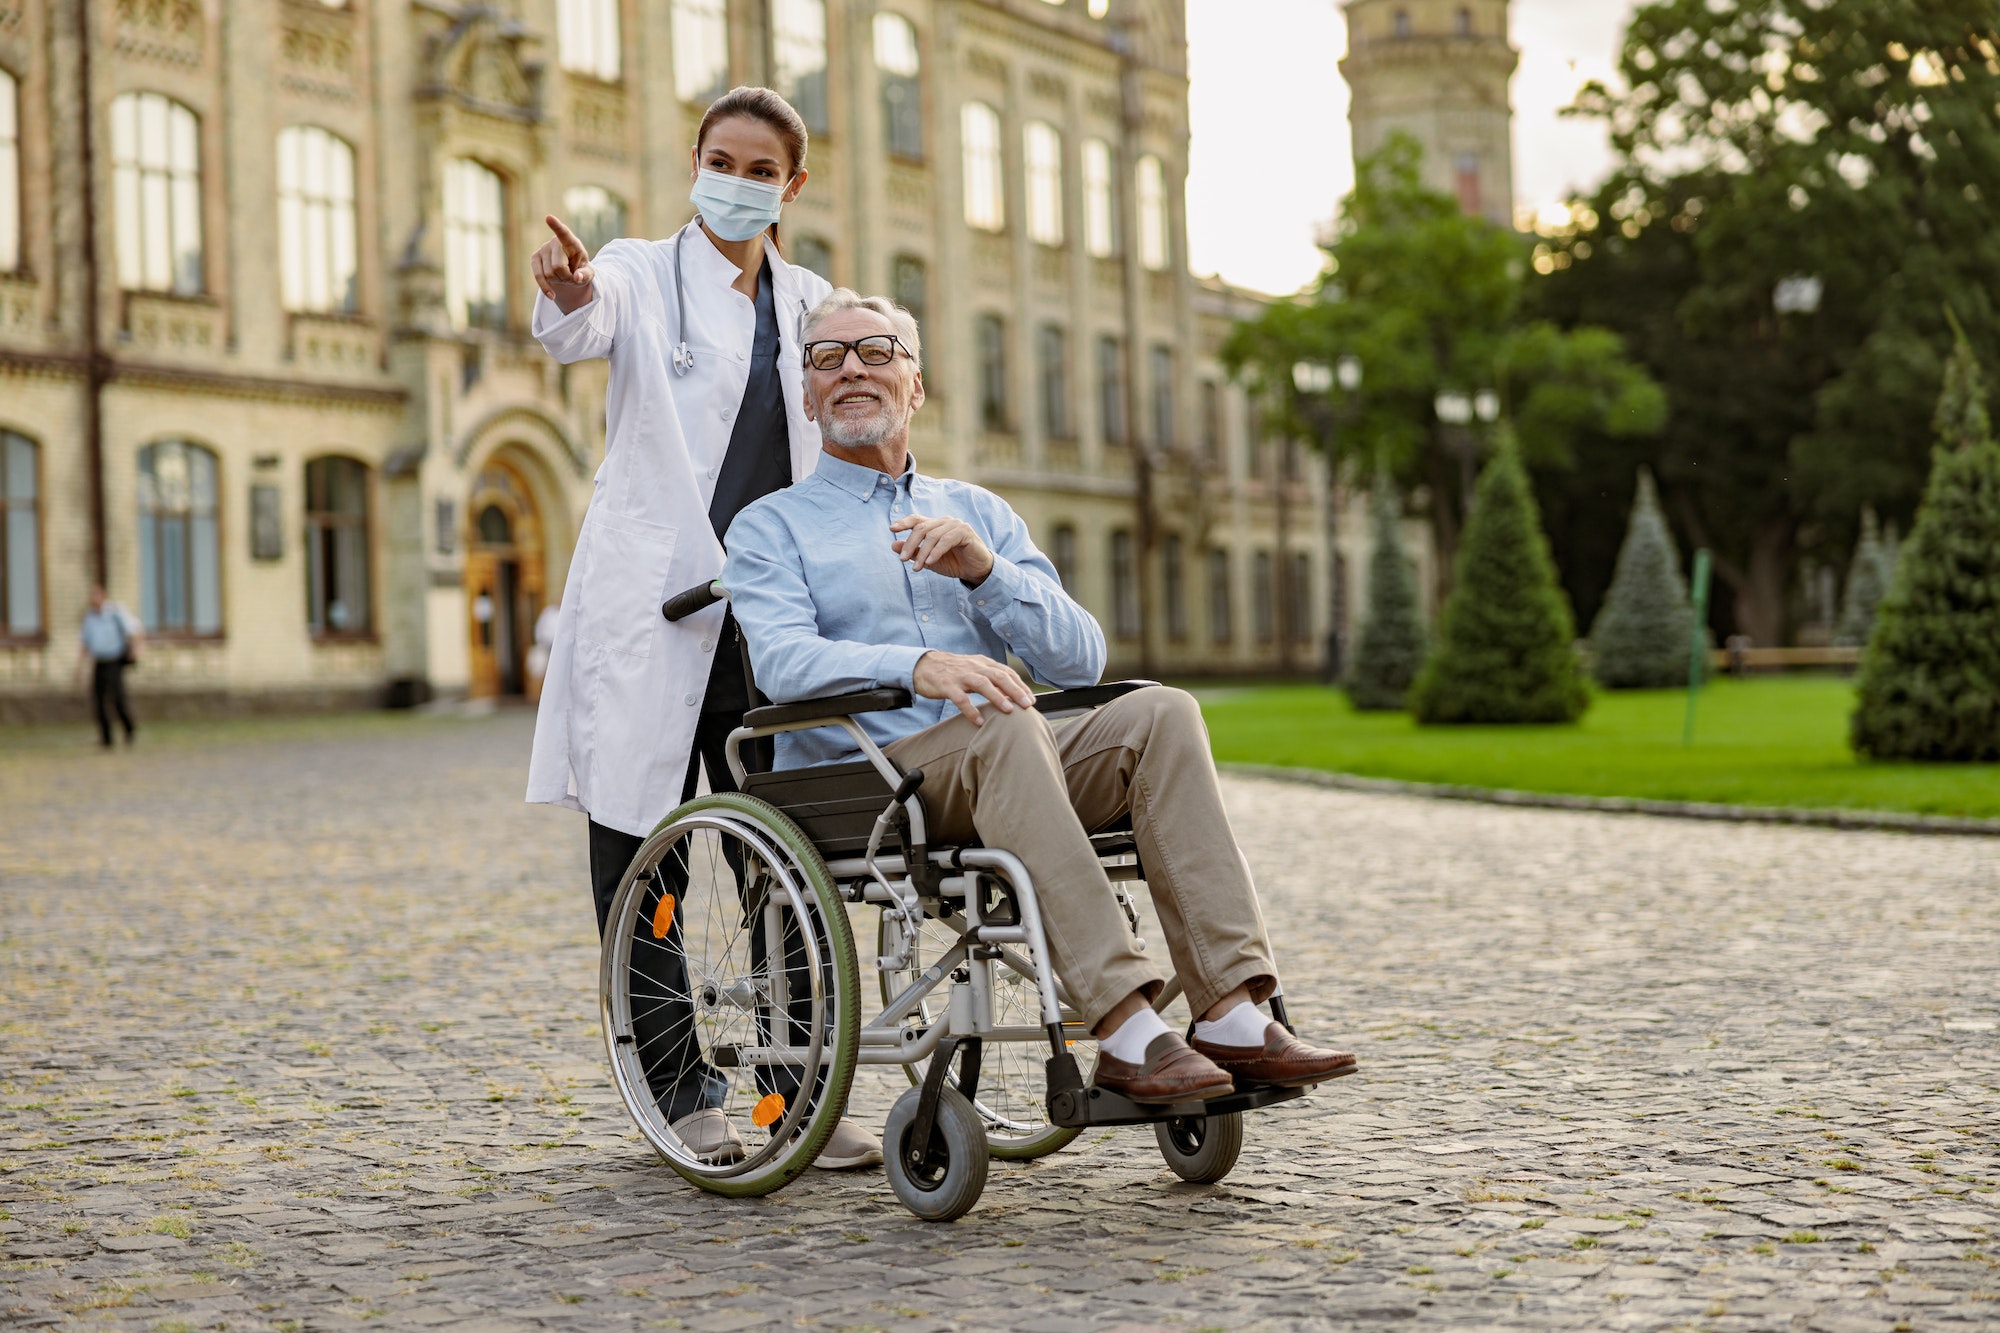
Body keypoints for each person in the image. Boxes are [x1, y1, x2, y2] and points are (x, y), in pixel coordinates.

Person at [724, 291, 1358, 1105]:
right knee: (1008, 726)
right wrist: (918, 663)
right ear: (808, 397)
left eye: (877, 351)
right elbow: (781, 659)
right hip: (868, 782)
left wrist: (988, 573)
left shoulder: (978, 511)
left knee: (1162, 712)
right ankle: (1127, 1028)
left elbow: (1081, 656)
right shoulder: (770, 526)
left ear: (915, 385)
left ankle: (1230, 1013)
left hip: (1004, 758)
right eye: (827, 358)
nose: (851, 368)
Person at [524, 87, 879, 1170]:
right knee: (645, 853)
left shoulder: (815, 302)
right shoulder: (638, 268)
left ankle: (795, 1099)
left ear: (792, 186)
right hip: (654, 608)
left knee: (789, 859)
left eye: (760, 168)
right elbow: (585, 321)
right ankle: (681, 1087)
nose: (736, 180)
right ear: (695, 161)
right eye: (720, 159)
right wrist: (568, 288)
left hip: (767, 618)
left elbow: (859, 406)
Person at [74, 585, 142, 749]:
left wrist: (135, 651)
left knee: (118, 698)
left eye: (96, 595)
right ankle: (106, 737)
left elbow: (135, 630)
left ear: (103, 596)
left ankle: (129, 729)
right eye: (92, 596)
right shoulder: (89, 618)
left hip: (115, 660)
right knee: (98, 700)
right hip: (99, 661)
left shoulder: (116, 613)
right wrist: (79, 668)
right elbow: (85, 644)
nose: (93, 599)